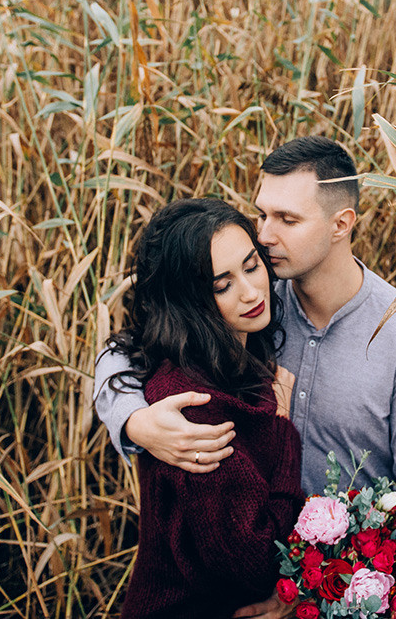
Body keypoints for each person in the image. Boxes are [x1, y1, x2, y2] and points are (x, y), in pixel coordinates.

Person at [94, 136, 396, 618]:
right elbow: (124, 351)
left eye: (287, 219)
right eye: (262, 214)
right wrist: (135, 422)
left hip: (345, 596)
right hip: (234, 586)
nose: (264, 235)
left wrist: (311, 592)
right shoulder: (250, 304)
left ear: (341, 224)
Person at [110, 198, 303, 619]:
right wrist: (283, 431)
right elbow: (258, 564)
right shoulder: (195, 408)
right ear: (189, 301)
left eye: (252, 267)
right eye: (222, 285)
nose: (251, 292)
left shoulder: (238, 361)